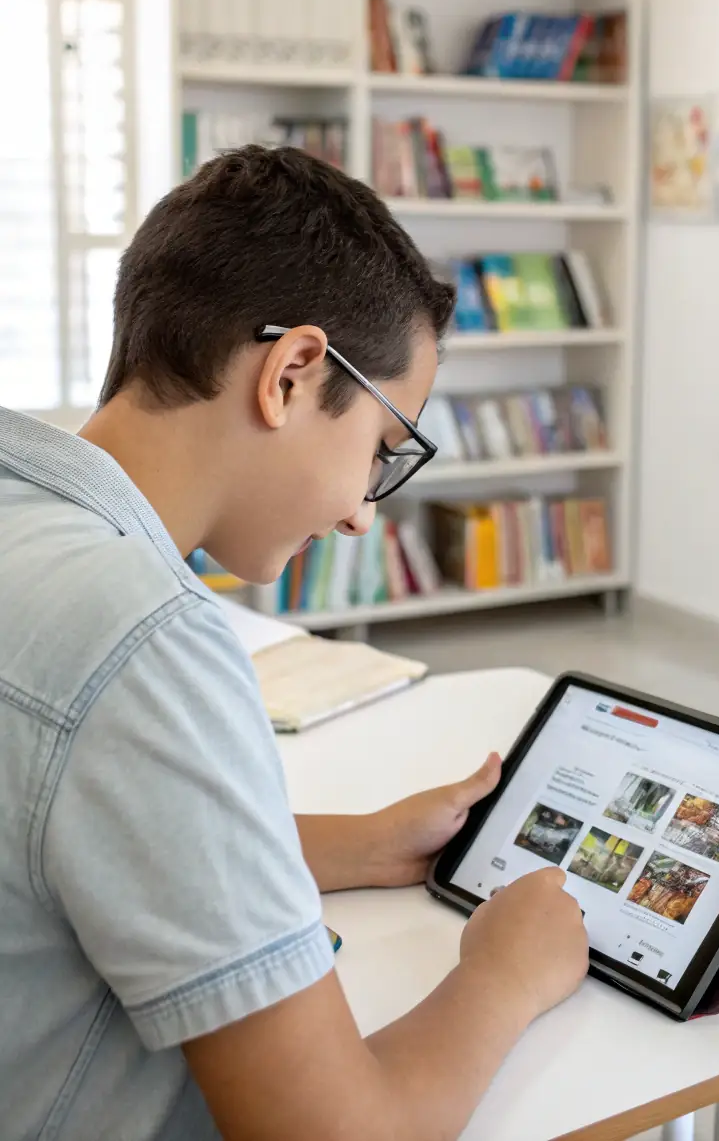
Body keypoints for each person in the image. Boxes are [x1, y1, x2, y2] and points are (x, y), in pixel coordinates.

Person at [0, 147, 589, 1141]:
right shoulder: (147, 643)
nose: (363, 516)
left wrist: (349, 844)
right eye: (380, 451)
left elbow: (55, 832)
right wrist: (504, 975)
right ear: (291, 373)